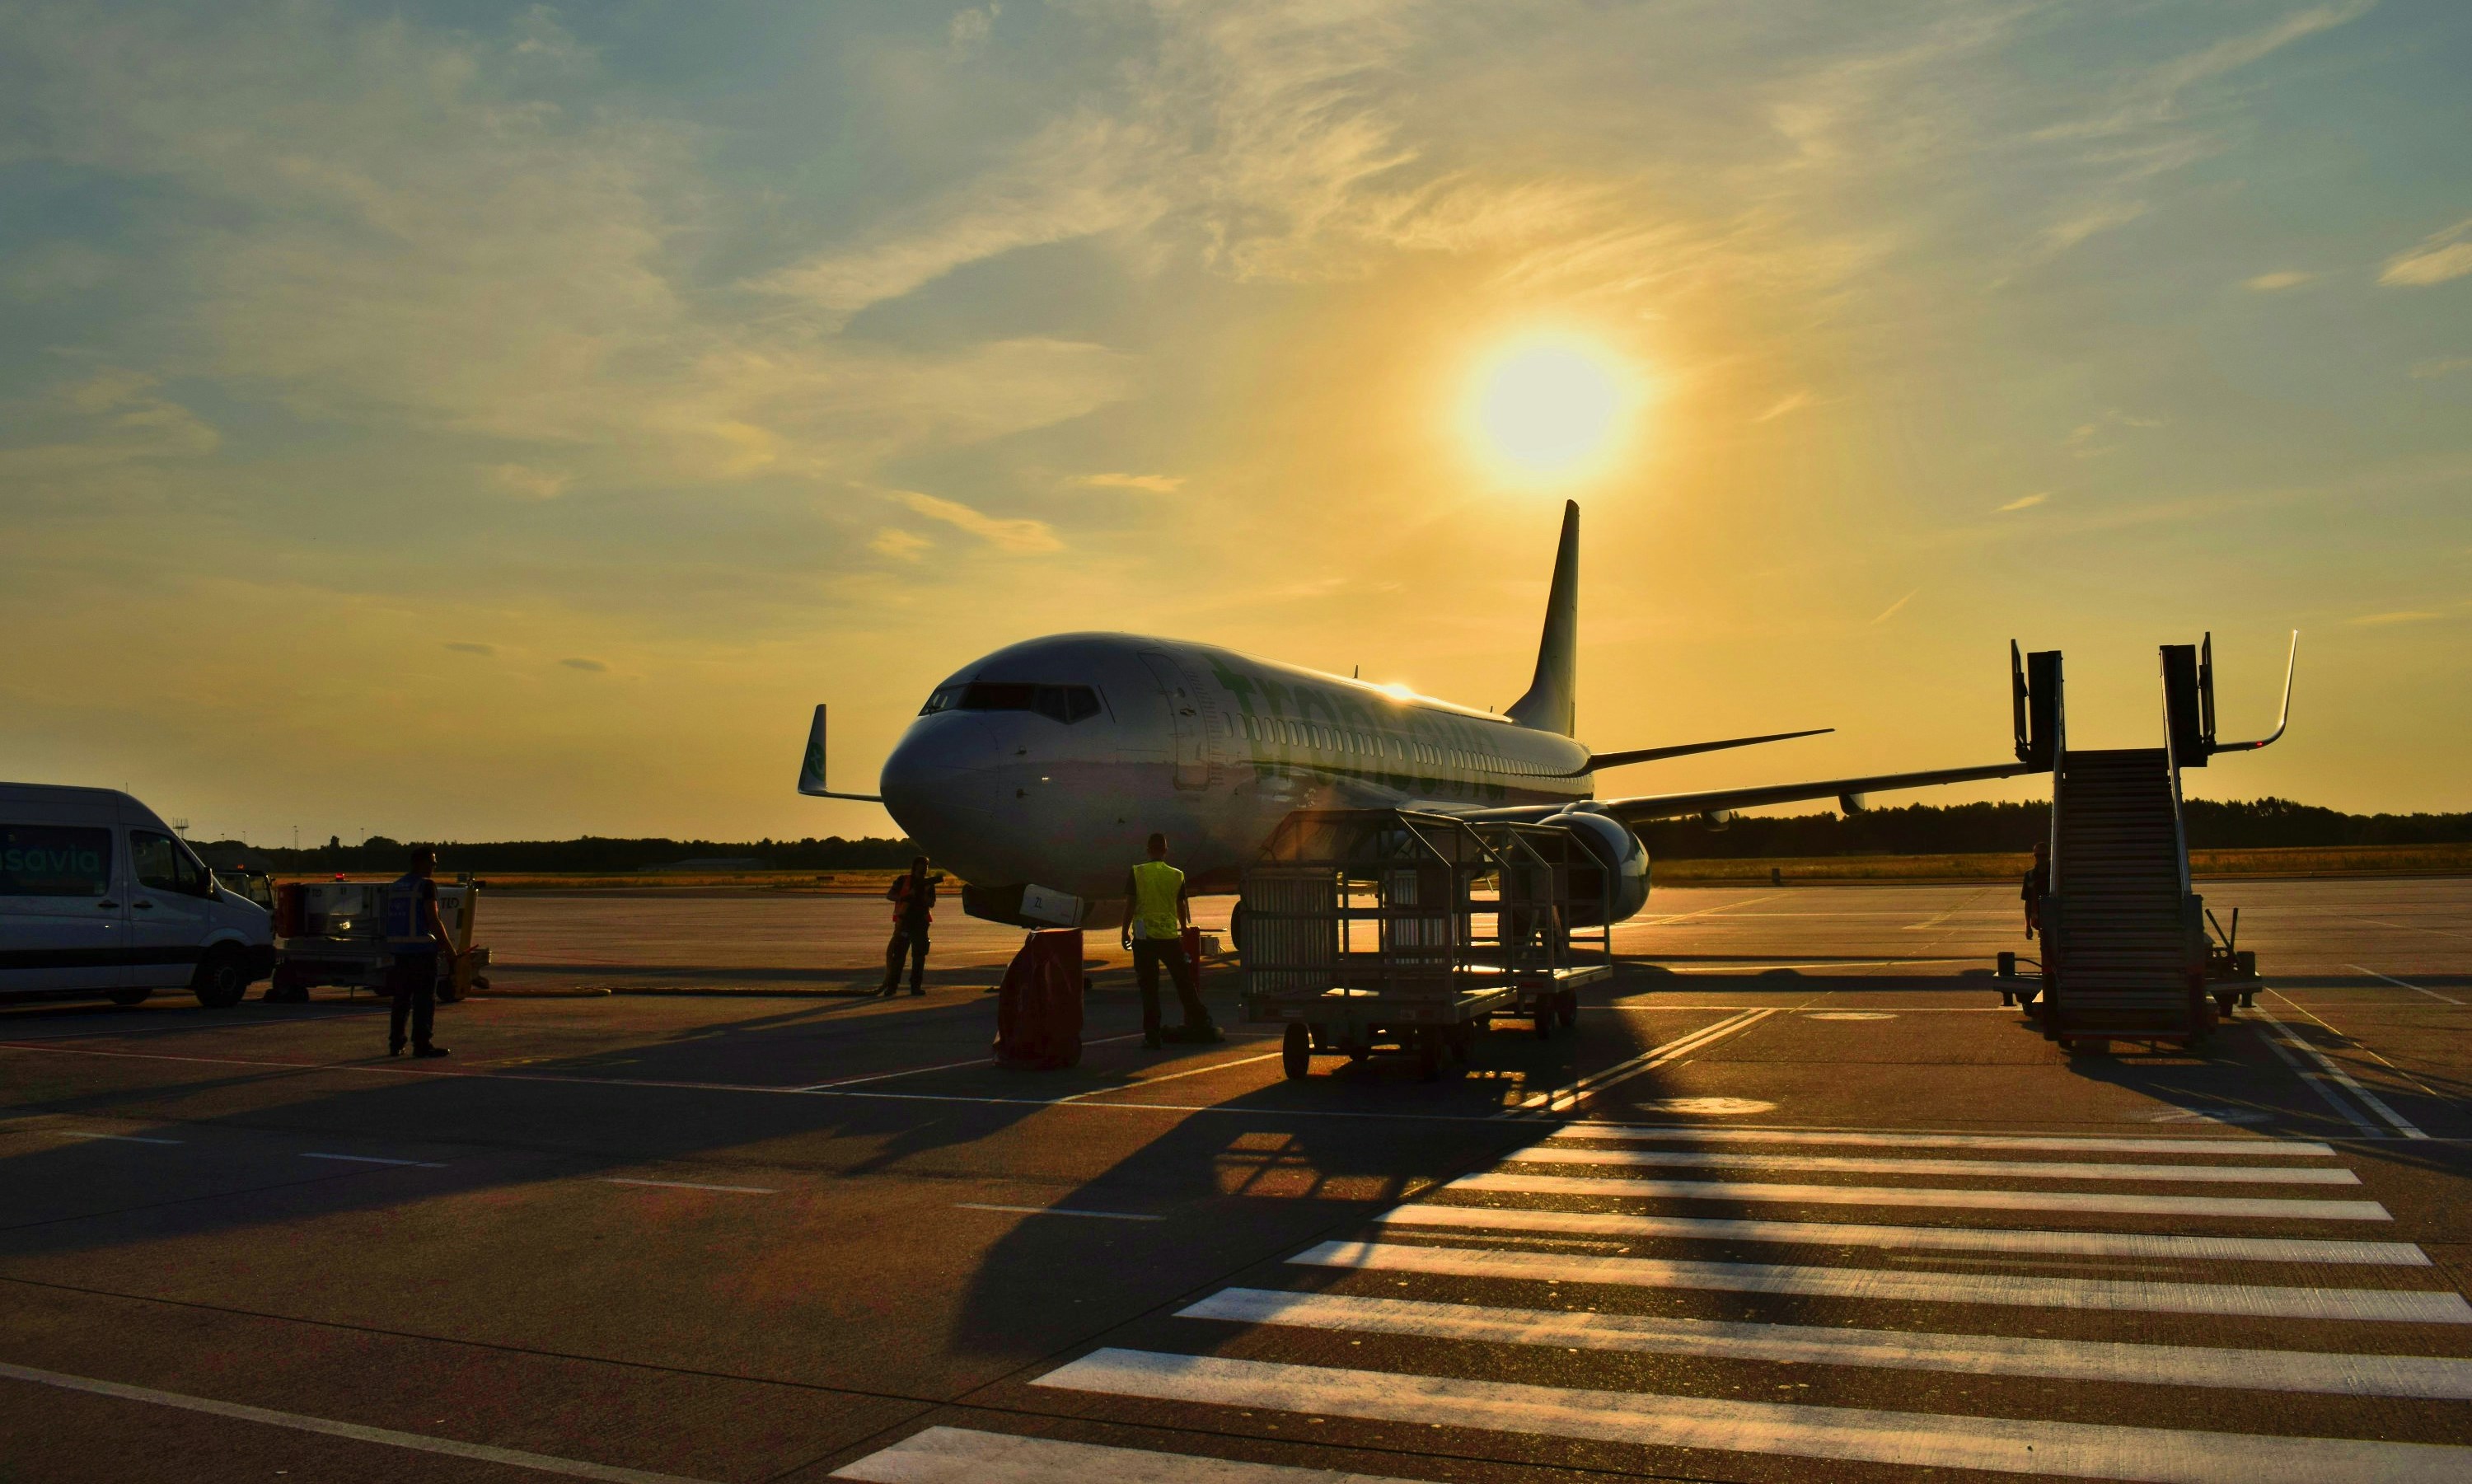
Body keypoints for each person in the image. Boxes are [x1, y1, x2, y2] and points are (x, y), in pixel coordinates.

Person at [1122, 832, 1218, 1048]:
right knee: (1183, 982)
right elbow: (1181, 906)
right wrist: (1183, 928)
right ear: (1166, 851)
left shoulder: (1137, 872)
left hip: (1144, 938)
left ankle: (1152, 1034)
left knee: (1149, 989)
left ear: (1148, 850)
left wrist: (1124, 931)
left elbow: (1130, 905)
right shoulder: (1177, 875)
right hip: (1168, 937)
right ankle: (1201, 1021)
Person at [382, 845, 452, 1058]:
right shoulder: (426, 886)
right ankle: (422, 1045)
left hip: (400, 952)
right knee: (424, 1001)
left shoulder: (396, 887)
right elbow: (433, 919)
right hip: (422, 952)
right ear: (420, 863)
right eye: (432, 863)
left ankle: (396, 1044)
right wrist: (449, 949)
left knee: (401, 1000)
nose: (434, 867)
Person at [881, 857, 938, 997]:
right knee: (898, 956)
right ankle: (892, 987)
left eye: (926, 866)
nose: (924, 869)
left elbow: (931, 903)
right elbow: (890, 895)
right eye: (922, 866)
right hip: (904, 922)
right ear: (915, 867)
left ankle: (915, 986)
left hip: (920, 923)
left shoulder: (928, 884)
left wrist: (923, 894)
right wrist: (905, 897)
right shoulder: (903, 880)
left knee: (919, 956)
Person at [2022, 840, 2050, 940]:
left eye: (2044, 855)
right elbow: (2027, 901)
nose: (2041, 858)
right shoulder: (2030, 876)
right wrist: (2028, 926)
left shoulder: (2054, 874)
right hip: (2038, 919)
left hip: (2053, 918)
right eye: (2038, 855)